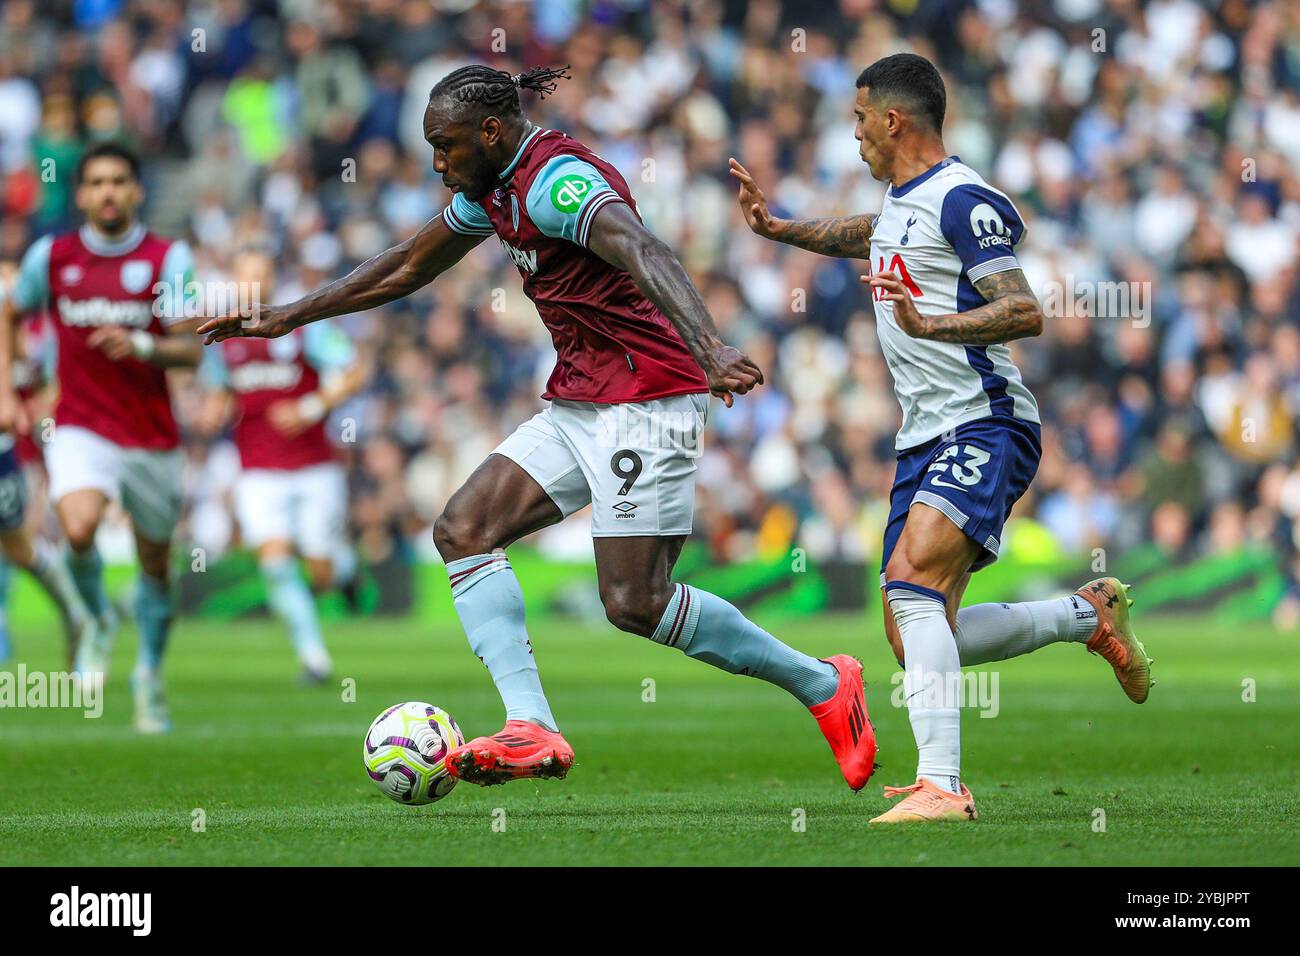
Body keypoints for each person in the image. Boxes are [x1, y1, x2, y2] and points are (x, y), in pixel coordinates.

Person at [199, 65, 877, 791]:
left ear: (492, 131)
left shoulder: (557, 183)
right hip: (582, 397)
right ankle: (532, 725)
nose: (437, 163)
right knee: (463, 529)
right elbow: (406, 266)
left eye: (446, 146)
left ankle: (821, 684)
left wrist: (710, 348)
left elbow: (645, 250)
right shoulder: (490, 189)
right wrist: (287, 316)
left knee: (635, 603)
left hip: (648, 399)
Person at [732, 53, 1152, 823]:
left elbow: (1024, 310)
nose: (852, 134)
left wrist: (933, 323)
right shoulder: (902, 200)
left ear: (893, 120)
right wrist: (781, 227)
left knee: (912, 583)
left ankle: (943, 786)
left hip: (985, 420)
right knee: (914, 630)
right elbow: (873, 232)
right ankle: (1084, 615)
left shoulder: (963, 198)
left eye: (859, 119)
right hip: (925, 433)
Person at [0, 141, 202, 733]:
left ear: (136, 191)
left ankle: (149, 676)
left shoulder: (167, 257)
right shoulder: (53, 256)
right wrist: (13, 385)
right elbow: (11, 311)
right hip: (81, 427)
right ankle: (95, 623)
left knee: (155, 565)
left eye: (119, 181)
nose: (108, 192)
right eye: (97, 183)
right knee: (79, 526)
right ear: (82, 193)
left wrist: (141, 343)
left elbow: (190, 346)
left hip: (151, 437)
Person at [197, 244, 366, 684]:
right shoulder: (222, 338)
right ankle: (314, 659)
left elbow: (354, 370)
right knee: (273, 560)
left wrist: (310, 408)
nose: (252, 287)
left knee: (320, 573)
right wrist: (214, 408)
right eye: (245, 277)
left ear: (273, 280)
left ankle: (345, 570)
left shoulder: (300, 326)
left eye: (261, 277)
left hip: (314, 467)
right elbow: (220, 391)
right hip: (257, 469)